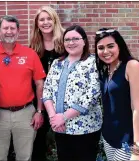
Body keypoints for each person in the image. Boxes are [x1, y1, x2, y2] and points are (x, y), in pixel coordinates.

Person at [0, 15, 45, 161]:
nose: (9, 31)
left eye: (12, 28)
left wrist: (39, 111)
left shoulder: (30, 54)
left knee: (24, 156)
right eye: (5, 28)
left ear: (18, 31)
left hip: (26, 113)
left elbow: (40, 84)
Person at [42, 25, 102, 161]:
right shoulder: (57, 63)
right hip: (60, 127)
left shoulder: (93, 62)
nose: (71, 42)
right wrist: (54, 118)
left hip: (86, 128)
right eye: (67, 39)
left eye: (75, 38)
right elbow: (47, 91)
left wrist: (63, 117)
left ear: (84, 41)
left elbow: (92, 95)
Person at [95, 28, 139, 161]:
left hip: (130, 136)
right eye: (101, 48)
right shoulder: (105, 69)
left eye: (110, 46)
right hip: (110, 136)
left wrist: (137, 149)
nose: (106, 51)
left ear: (119, 45)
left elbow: (137, 109)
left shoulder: (132, 66)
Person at [29, 6, 64, 160]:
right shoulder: (33, 47)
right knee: (38, 142)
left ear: (55, 20)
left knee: (65, 142)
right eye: (41, 19)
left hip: (63, 101)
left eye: (49, 18)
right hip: (40, 101)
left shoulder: (66, 42)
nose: (45, 22)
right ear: (37, 24)